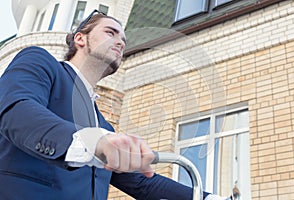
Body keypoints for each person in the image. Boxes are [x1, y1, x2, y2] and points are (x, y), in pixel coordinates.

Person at [0, 10, 235, 200]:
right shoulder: (40, 62)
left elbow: (142, 183)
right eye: (111, 32)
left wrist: (207, 197)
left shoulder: (104, 126)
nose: (120, 43)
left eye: (123, 40)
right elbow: (15, 109)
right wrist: (94, 141)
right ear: (80, 38)